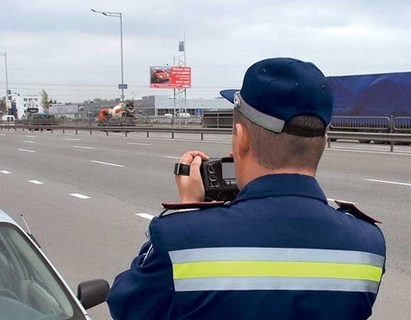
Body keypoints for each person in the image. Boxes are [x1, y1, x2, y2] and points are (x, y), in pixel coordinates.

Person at [106, 57, 386, 319]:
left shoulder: (181, 238)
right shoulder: (368, 245)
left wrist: (189, 212)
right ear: (325, 141)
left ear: (241, 140)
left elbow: (126, 306)